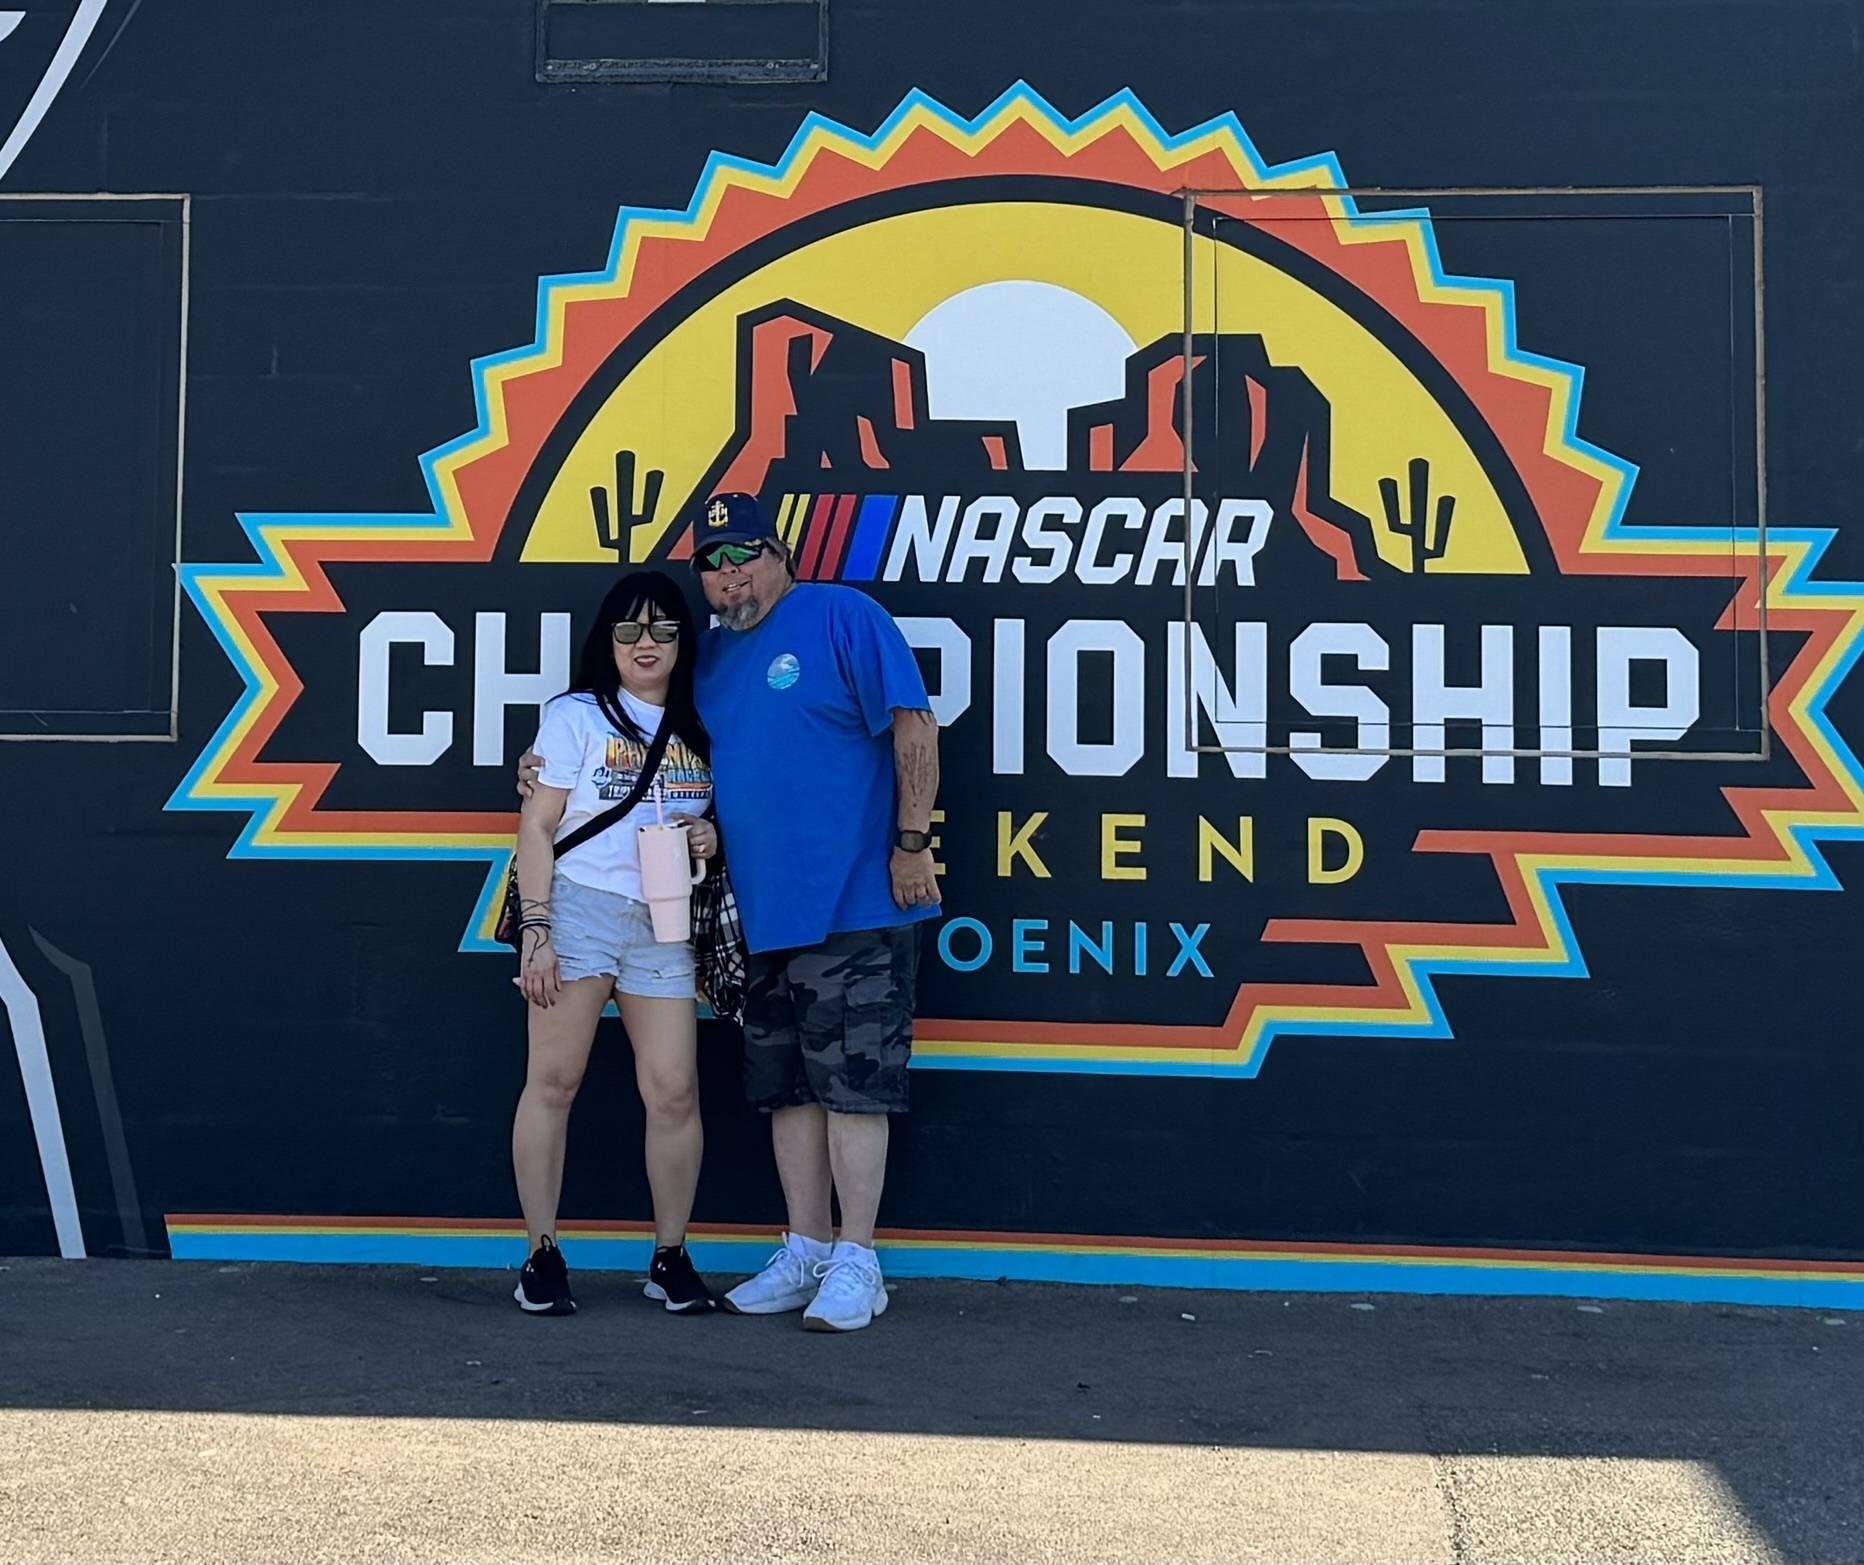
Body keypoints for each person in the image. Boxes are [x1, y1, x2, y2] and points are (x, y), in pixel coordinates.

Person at [521, 493, 940, 1332]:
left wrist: (911, 841)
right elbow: (637, 747)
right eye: (712, 561)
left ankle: (858, 1260)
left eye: (745, 552)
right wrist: (538, 770)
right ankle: (807, 1249)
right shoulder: (703, 660)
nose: (729, 572)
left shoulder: (842, 615)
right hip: (755, 915)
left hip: (854, 901)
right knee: (789, 1089)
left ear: (782, 554)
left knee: (855, 1088)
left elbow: (915, 724)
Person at [509, 570, 722, 1318]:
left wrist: (711, 832)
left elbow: (738, 808)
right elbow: (537, 826)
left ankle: (671, 1255)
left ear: (684, 640)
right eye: (628, 629)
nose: (645, 643)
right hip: (580, 906)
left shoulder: (708, 716)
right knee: (554, 1081)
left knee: (674, 1089)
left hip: (666, 915)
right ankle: (541, 1254)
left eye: (663, 628)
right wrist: (537, 929)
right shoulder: (576, 714)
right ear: (607, 641)